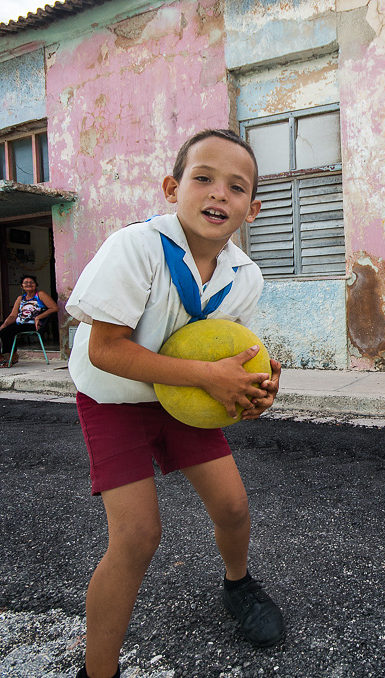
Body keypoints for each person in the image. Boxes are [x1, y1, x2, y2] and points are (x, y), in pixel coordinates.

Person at [66, 129, 285, 678]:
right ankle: (98, 671)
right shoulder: (134, 247)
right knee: (138, 536)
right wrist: (210, 377)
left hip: (188, 399)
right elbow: (106, 350)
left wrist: (260, 384)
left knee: (234, 508)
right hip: (114, 397)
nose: (218, 194)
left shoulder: (245, 276)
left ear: (251, 209)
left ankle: (238, 585)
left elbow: (239, 351)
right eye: (203, 178)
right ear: (172, 187)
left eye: (236, 187)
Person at [0, 274, 58, 366]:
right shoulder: (20, 298)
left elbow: (54, 308)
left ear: (36, 284)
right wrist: (4, 324)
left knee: (7, 331)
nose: (29, 284)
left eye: (31, 282)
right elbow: (13, 315)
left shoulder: (40, 295)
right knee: (4, 328)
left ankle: (10, 357)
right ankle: (2, 357)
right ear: (21, 286)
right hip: (19, 323)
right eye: (25, 283)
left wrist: (38, 317)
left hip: (32, 324)